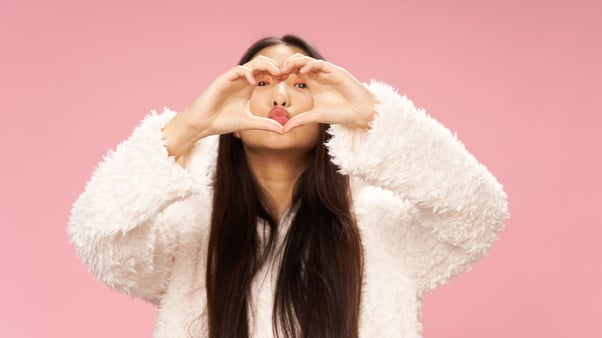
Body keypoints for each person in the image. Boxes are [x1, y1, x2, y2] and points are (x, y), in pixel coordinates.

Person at [68, 34, 508, 338]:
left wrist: (371, 116)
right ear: (233, 118)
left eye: (300, 84)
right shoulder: (189, 231)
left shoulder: (377, 225)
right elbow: (102, 238)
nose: (281, 97)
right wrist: (189, 127)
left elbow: (476, 213)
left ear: (326, 118)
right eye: (262, 83)